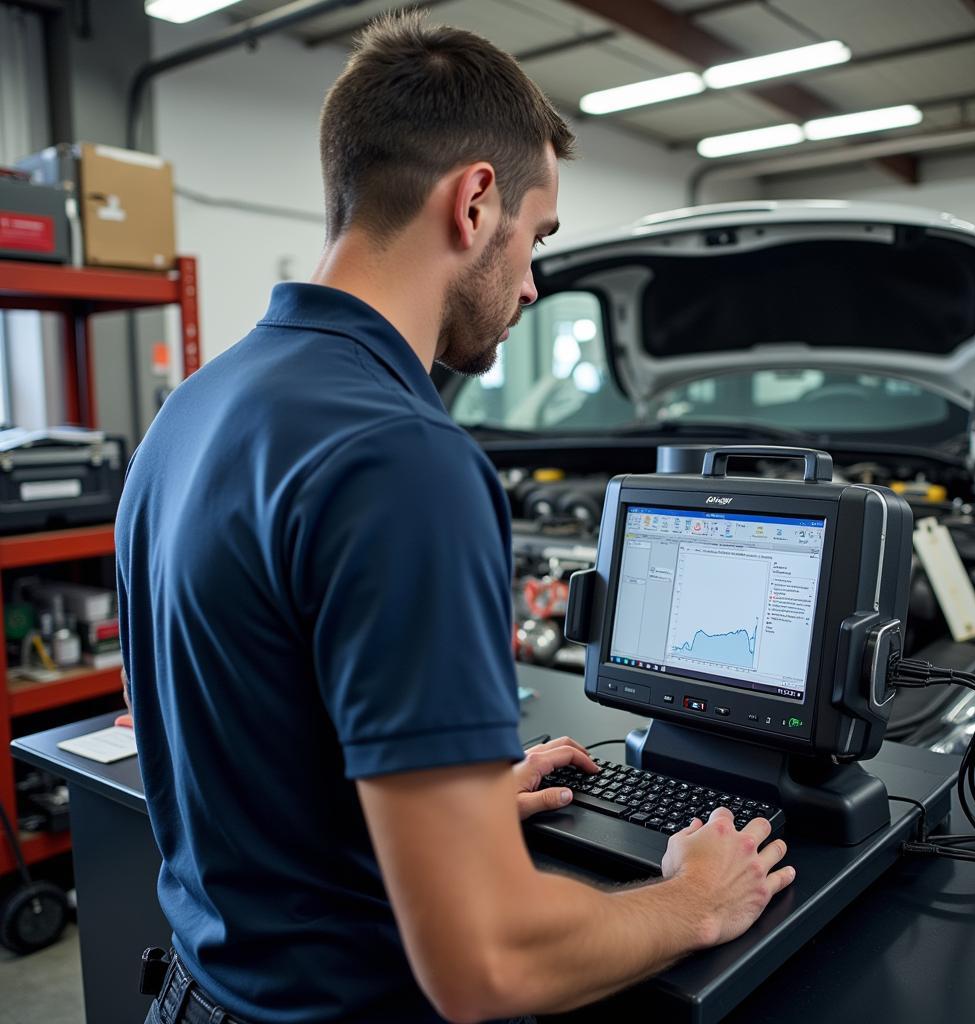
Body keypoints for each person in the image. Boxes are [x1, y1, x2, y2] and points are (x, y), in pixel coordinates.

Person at [116, 13, 795, 1024]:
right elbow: (486, 961)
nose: (529, 285)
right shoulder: (405, 460)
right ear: (476, 202)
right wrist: (695, 896)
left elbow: (254, 744)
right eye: (537, 239)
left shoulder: (197, 408)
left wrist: (458, 803)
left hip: (201, 995)